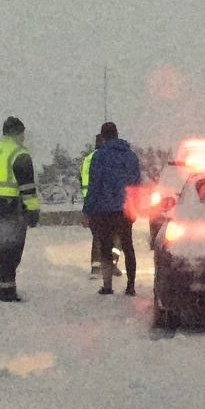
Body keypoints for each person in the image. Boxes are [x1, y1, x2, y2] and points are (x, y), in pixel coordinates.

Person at [0, 116, 39, 302]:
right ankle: (8, 291)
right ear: (17, 133)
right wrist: (33, 211)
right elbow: (27, 188)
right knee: (13, 251)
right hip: (13, 209)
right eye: (22, 133)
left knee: (2, 250)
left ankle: (3, 288)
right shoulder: (19, 154)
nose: (24, 137)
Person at [82, 121, 143, 296]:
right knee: (128, 246)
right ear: (117, 134)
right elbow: (136, 184)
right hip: (125, 209)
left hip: (104, 210)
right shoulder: (130, 156)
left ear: (103, 136)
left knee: (106, 247)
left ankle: (107, 285)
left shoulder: (99, 157)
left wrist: (87, 210)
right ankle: (131, 286)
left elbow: (94, 185)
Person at [80, 132, 106, 278]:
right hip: (103, 201)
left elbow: (82, 180)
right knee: (111, 234)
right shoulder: (105, 158)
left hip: (90, 202)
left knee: (97, 235)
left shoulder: (87, 159)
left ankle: (95, 267)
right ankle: (110, 264)